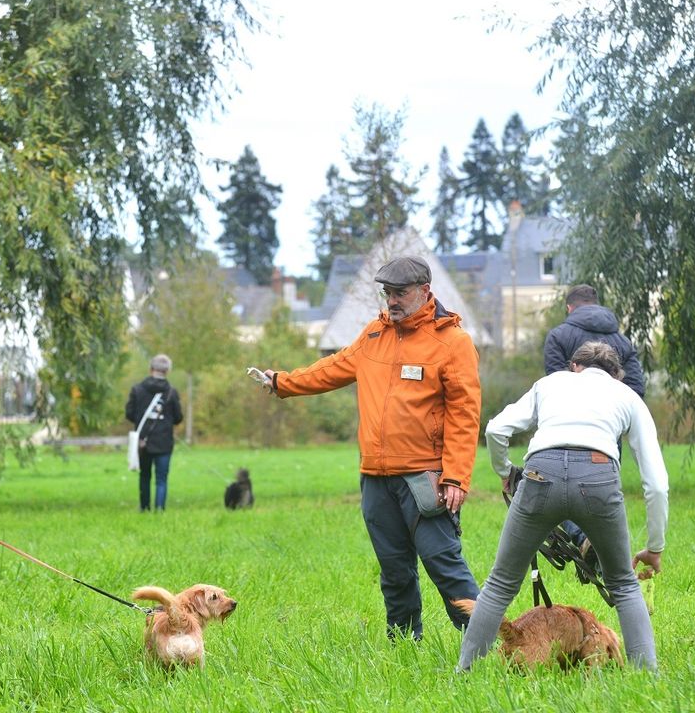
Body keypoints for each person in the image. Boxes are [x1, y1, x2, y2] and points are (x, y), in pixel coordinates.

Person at [253, 255, 483, 640]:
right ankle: (403, 646)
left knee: (444, 565)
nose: (392, 300)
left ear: (425, 291)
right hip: (375, 478)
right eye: (387, 293)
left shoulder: (452, 342)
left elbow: (465, 412)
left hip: (424, 478)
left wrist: (457, 476)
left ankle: (483, 645)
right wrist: (282, 382)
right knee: (394, 571)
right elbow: (333, 367)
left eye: (400, 293)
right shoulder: (374, 335)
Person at [457, 341, 668, 672]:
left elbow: (496, 429)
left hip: (540, 476)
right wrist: (654, 547)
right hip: (599, 478)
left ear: (574, 367)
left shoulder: (550, 383)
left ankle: (465, 673)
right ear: (616, 375)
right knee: (624, 585)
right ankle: (648, 676)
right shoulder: (627, 396)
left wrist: (506, 472)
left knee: (500, 584)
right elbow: (656, 484)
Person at [542, 283, 647, 547]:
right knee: (602, 497)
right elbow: (636, 389)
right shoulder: (622, 340)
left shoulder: (558, 336)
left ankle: (582, 540)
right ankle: (602, 555)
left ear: (569, 308)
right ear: (597, 305)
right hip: (607, 434)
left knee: (557, 493)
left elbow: (554, 387)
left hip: (564, 431)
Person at [125, 354, 183, 511]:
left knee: (144, 476)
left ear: (151, 369)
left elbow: (129, 414)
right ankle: (159, 509)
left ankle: (144, 508)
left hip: (143, 441)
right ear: (167, 371)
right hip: (164, 441)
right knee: (161, 479)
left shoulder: (137, 390)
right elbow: (178, 418)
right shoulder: (171, 392)